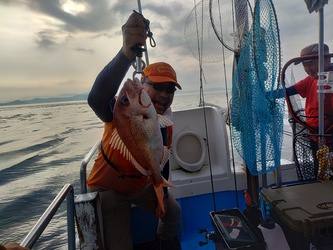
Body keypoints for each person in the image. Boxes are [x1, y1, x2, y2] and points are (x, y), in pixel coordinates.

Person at [86, 12, 182, 250]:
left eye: (170, 89)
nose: (163, 94)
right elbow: (97, 99)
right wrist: (127, 53)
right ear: (142, 83)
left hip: (142, 185)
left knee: (173, 212)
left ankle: (163, 240)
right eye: (157, 86)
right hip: (109, 188)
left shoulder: (164, 120)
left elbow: (161, 162)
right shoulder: (122, 108)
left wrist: (160, 190)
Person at [284, 43, 333, 132]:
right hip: (313, 133)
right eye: (304, 65)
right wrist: (263, 95)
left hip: (327, 137)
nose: (307, 68)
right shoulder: (311, 79)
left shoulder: (331, 81)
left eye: (310, 63)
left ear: (326, 60)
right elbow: (288, 91)